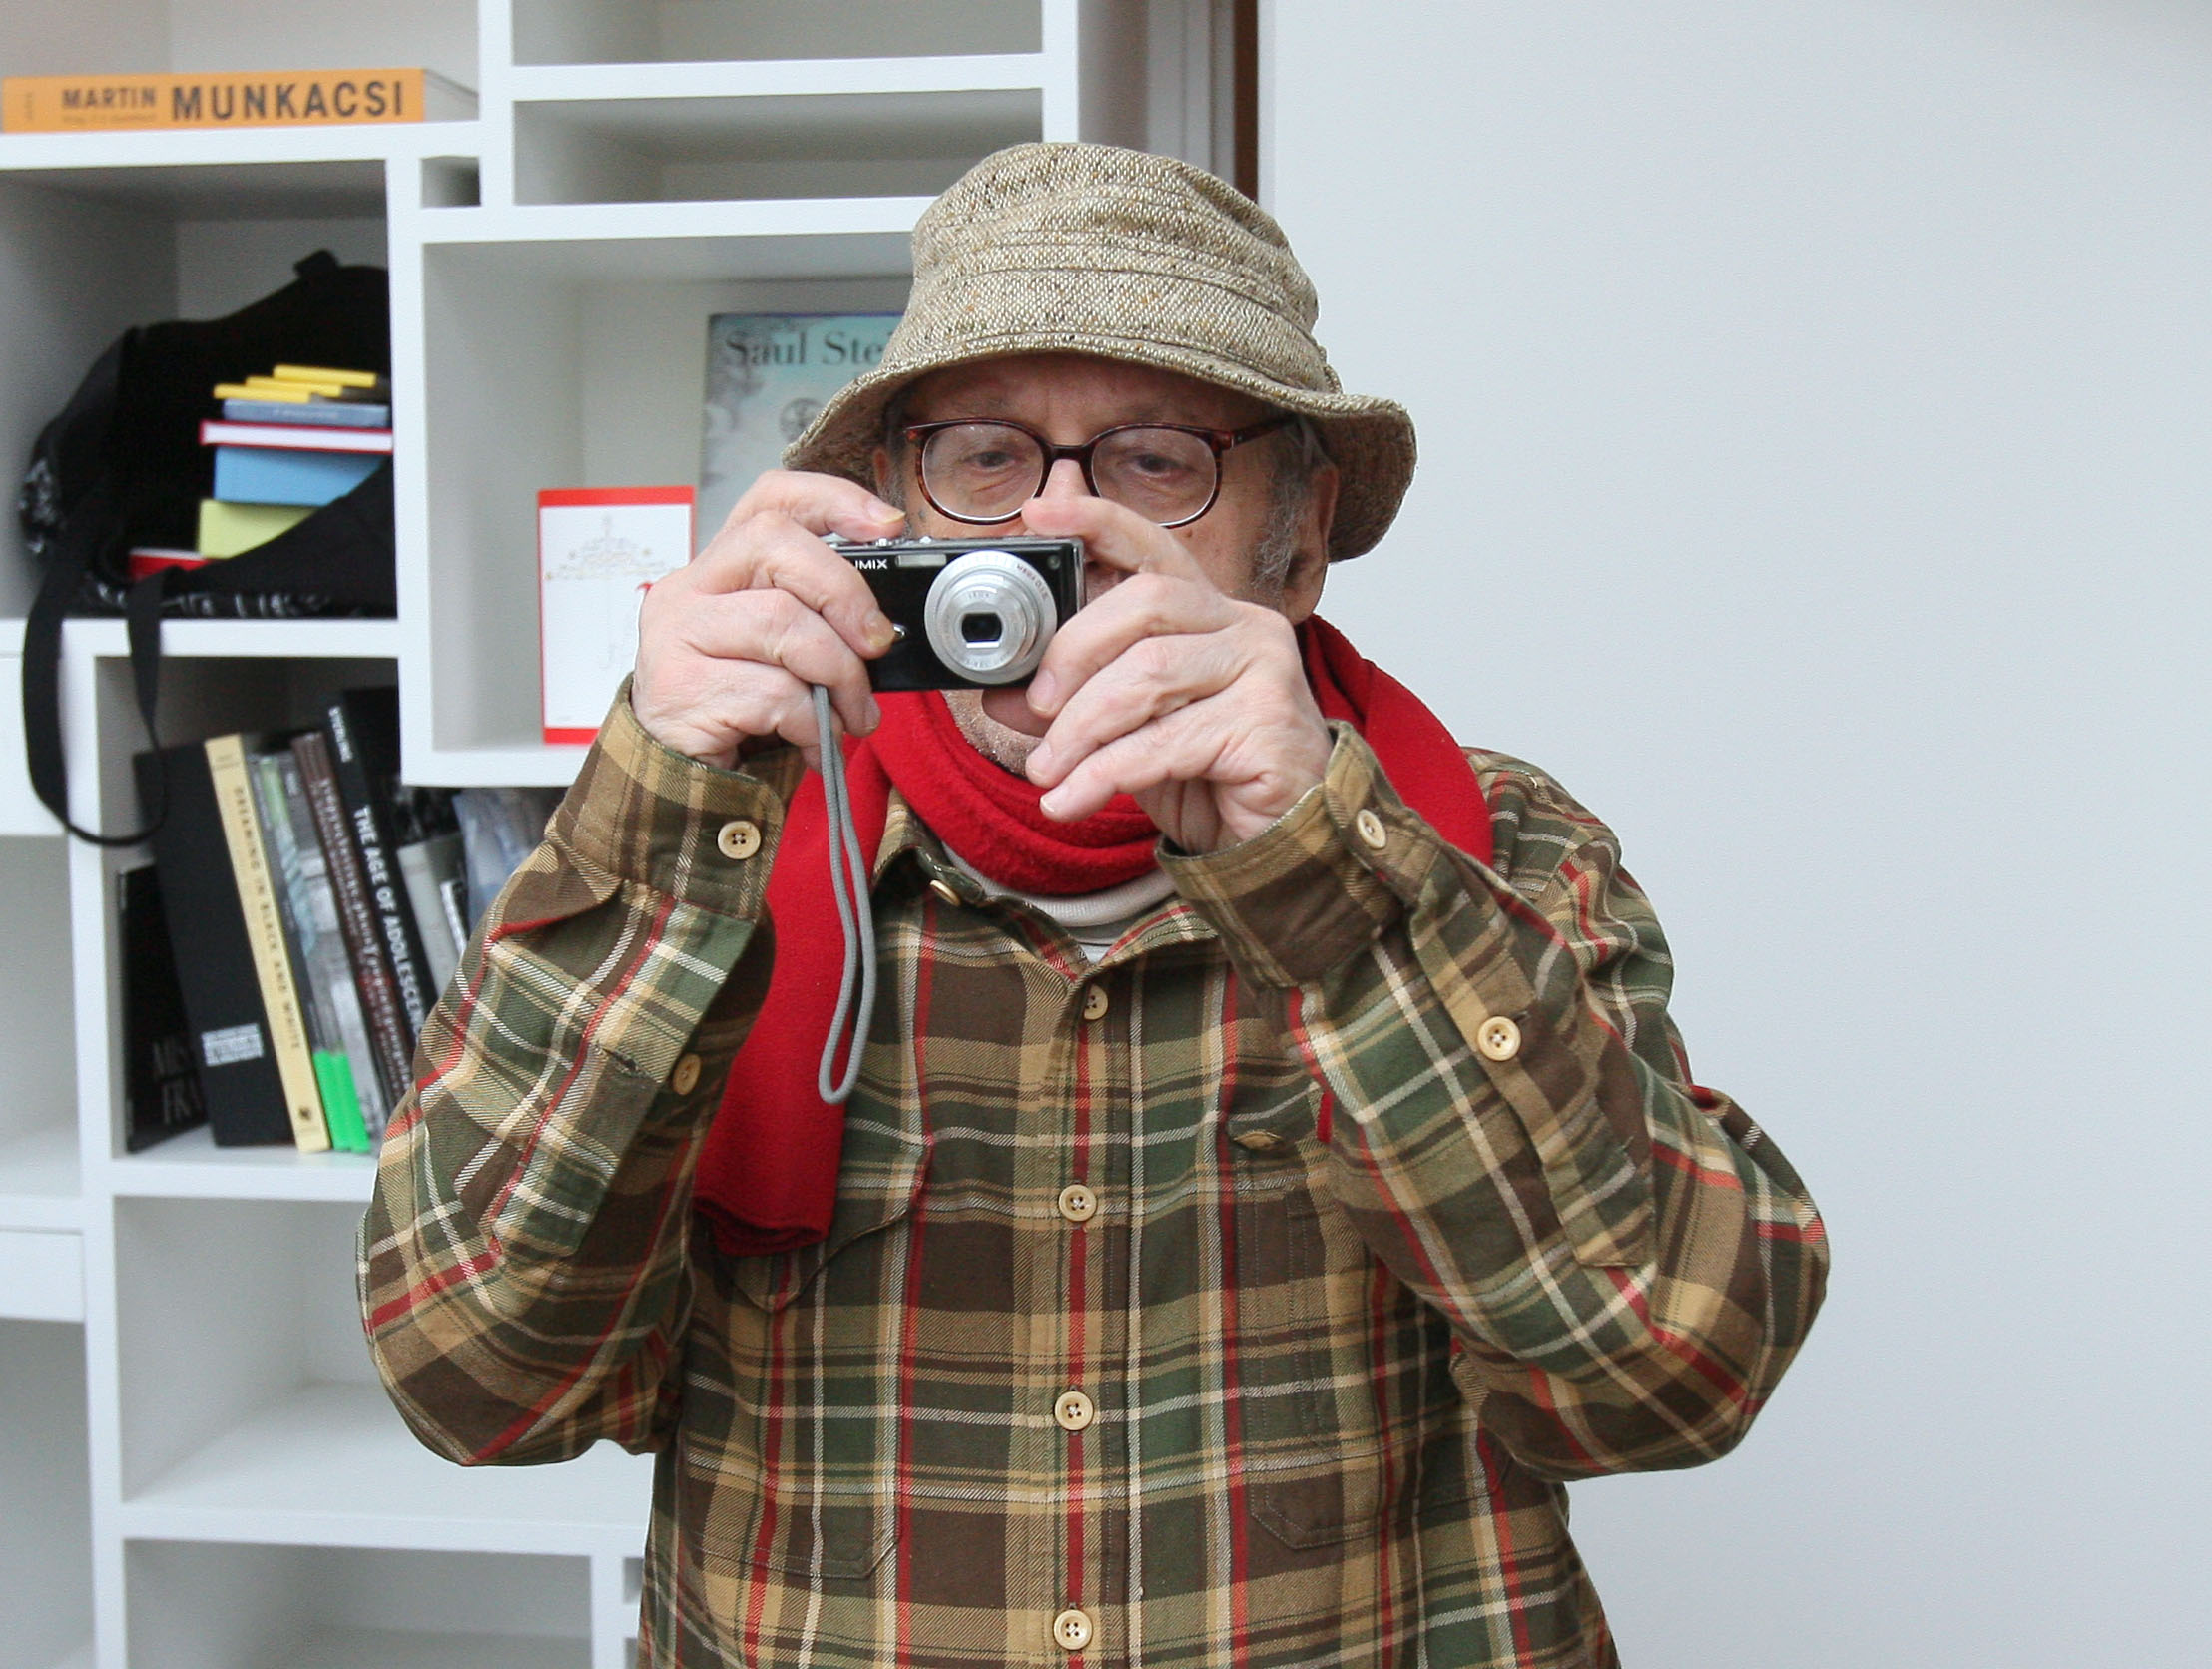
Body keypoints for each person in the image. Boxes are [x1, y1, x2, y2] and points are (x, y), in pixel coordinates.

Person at [362, 143, 1828, 1668]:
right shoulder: (722, 838)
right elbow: (475, 1384)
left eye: (1154, 459)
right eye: (984, 458)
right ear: (884, 510)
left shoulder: (1494, 848)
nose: (1051, 536)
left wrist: (1330, 879)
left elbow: (1670, 1378)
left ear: (1299, 535)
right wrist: (667, 820)